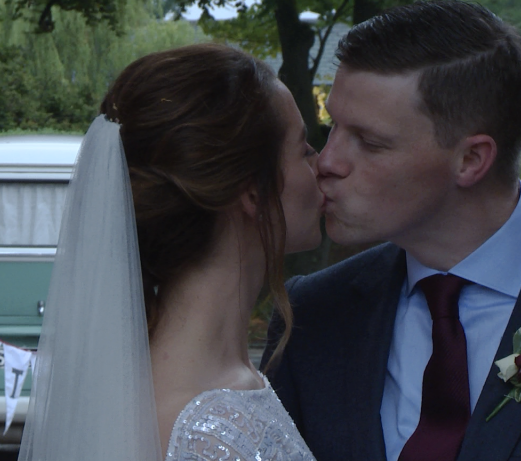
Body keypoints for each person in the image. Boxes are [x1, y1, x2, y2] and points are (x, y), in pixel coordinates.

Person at [261, 0, 521, 461]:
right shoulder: (310, 314)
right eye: (333, 127)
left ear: (471, 159)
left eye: (370, 143)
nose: (328, 162)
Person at [18, 43, 323, 461]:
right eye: (304, 150)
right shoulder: (204, 434)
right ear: (252, 190)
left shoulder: (204, 384)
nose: (321, 165)